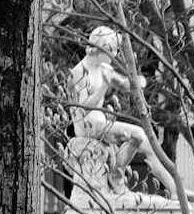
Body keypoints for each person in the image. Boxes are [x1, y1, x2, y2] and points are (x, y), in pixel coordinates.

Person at [68, 25, 179, 199]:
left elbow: (124, 83)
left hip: (101, 123)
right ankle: (117, 175)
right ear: (101, 48)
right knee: (139, 134)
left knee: (144, 139)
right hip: (88, 127)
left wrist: (137, 82)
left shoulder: (103, 67)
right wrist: (103, 87)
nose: (114, 56)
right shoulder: (78, 72)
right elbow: (83, 108)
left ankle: (174, 190)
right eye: (111, 51)